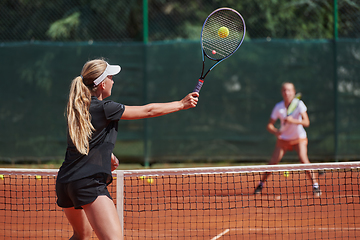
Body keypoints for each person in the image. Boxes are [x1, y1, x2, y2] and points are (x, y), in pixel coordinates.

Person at [56, 59, 199, 240]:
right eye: (110, 77)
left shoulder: (79, 108)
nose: (113, 81)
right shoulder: (107, 108)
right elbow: (148, 111)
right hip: (88, 183)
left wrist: (108, 156)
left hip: (65, 183)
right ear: (101, 84)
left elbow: (86, 142)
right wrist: (181, 104)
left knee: (81, 236)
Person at [254, 82, 321, 197]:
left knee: (303, 160)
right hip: (284, 139)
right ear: (282, 93)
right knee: (273, 162)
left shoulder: (299, 104)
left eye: (289, 90)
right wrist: (276, 132)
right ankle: (261, 184)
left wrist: (293, 121)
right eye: (284, 90)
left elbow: (306, 122)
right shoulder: (278, 107)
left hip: (299, 137)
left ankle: (315, 186)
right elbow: (269, 125)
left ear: (294, 92)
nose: (287, 92)